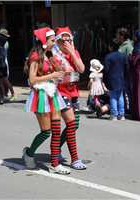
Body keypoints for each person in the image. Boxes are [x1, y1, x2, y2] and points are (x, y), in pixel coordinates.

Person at [23, 27, 70, 174]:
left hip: (53, 94)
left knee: (56, 130)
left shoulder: (50, 57)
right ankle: (29, 153)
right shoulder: (35, 57)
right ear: (44, 41)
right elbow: (32, 79)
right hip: (40, 95)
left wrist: (63, 72)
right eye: (51, 40)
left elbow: (57, 75)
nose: (53, 43)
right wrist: (52, 76)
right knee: (45, 132)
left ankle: (54, 165)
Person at [52, 27, 87, 170]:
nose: (65, 43)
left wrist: (72, 52)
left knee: (75, 125)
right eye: (62, 41)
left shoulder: (74, 52)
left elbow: (82, 69)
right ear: (57, 42)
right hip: (61, 92)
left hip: (74, 91)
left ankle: (56, 147)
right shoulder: (54, 55)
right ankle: (74, 159)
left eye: (68, 40)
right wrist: (62, 72)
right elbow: (53, 78)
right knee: (71, 124)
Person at [103, 38, 129, 121]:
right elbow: (127, 67)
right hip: (120, 78)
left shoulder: (108, 57)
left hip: (112, 79)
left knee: (113, 97)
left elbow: (106, 70)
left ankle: (114, 114)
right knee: (120, 97)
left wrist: (105, 80)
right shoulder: (122, 56)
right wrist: (123, 76)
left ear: (111, 47)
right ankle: (121, 115)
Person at [116, 27, 133, 116]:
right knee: (122, 90)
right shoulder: (121, 45)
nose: (116, 35)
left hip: (127, 72)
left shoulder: (128, 46)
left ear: (122, 36)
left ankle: (131, 107)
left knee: (128, 89)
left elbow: (130, 59)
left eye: (118, 34)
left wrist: (127, 69)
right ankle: (124, 106)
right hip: (121, 72)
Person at [0, 36, 17, 101]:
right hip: (0, 66)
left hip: (2, 67)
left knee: (6, 81)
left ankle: (13, 94)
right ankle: (2, 95)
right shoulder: (2, 48)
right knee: (1, 81)